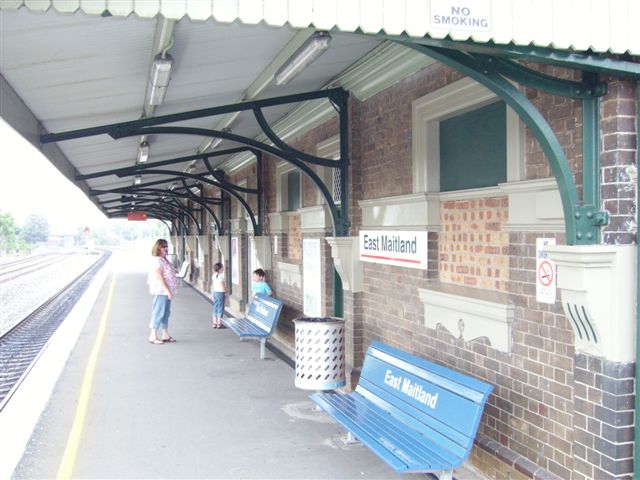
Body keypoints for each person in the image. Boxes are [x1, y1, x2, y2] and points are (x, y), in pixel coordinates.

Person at [147, 239, 178, 344]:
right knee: (158, 312)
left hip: (166, 291)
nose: (166, 248)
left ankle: (165, 334)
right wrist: (167, 290)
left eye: (166, 246)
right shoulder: (157, 261)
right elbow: (159, 277)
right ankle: (153, 335)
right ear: (158, 248)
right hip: (161, 291)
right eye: (163, 247)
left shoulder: (163, 259)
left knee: (165, 313)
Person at [211, 262, 227, 329]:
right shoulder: (221, 276)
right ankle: (219, 323)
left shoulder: (214, 275)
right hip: (220, 293)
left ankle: (214, 323)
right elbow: (222, 286)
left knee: (215, 307)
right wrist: (226, 290)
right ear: (220, 269)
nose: (224, 268)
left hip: (215, 292)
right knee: (220, 307)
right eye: (222, 267)